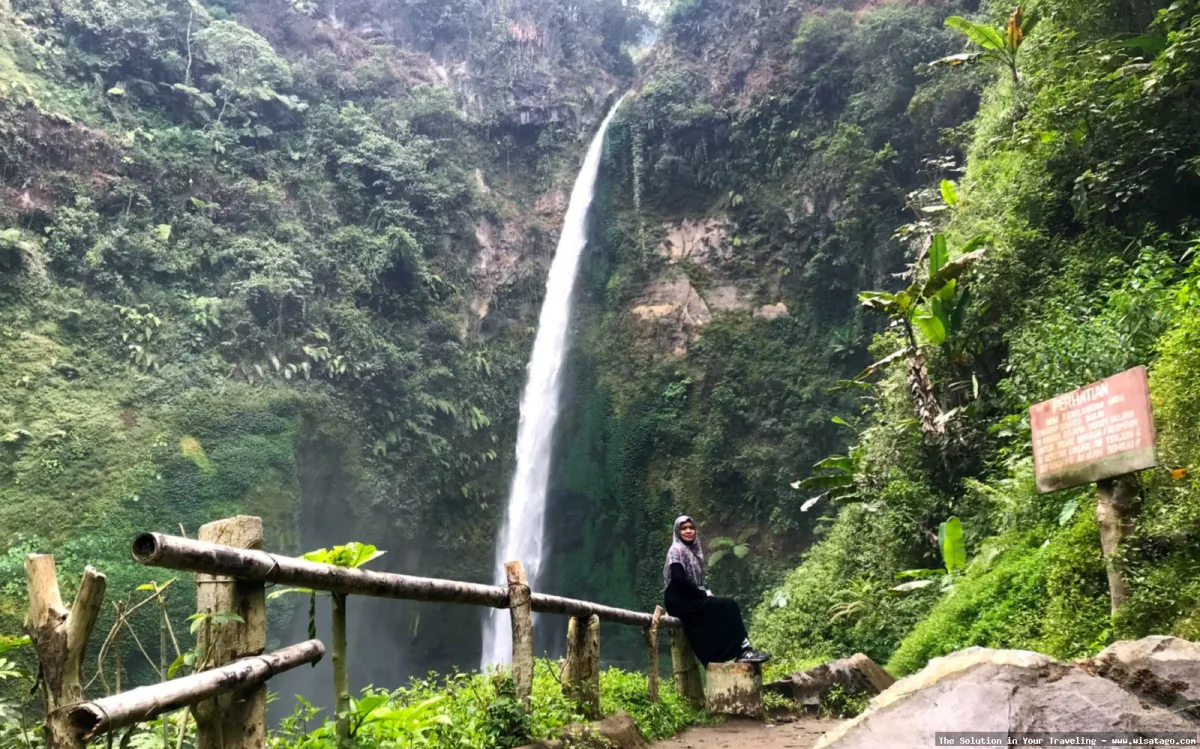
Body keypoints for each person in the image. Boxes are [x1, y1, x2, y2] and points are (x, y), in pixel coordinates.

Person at [662, 515, 770, 665]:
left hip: (689, 598)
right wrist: (703, 594)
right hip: (679, 600)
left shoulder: (693, 552)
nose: (688, 531)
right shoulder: (676, 550)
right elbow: (678, 580)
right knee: (728, 605)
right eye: (684, 528)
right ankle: (743, 650)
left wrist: (705, 592)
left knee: (721, 609)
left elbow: (696, 582)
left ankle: (725, 655)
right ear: (677, 531)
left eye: (691, 528)